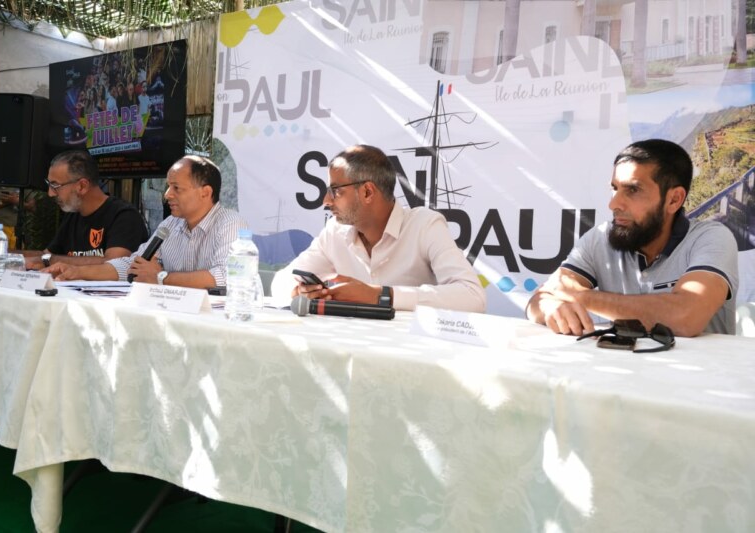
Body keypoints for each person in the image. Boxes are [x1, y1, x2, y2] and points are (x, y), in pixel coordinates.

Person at [526, 139, 738, 337]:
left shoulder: (711, 238)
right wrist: (551, 307)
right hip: (622, 374)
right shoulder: (600, 238)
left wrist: (580, 297)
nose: (614, 204)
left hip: (702, 376)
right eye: (615, 188)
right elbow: (539, 300)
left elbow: (685, 316)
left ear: (674, 200)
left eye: (633, 190)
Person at [271, 144, 486, 312]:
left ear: (367, 192)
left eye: (335, 191)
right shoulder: (335, 232)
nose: (326, 201)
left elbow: (473, 297)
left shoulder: (425, 225)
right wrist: (299, 291)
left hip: (413, 359)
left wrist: (381, 295)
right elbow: (280, 283)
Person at [45, 155, 248, 288]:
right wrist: (76, 272)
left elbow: (226, 277)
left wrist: (161, 278)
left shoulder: (230, 223)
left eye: (177, 188)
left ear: (206, 192)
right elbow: (131, 265)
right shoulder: (169, 225)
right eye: (168, 186)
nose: (167, 195)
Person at [0, 150, 148, 269]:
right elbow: (45, 256)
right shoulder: (73, 215)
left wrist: (48, 261)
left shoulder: (124, 216)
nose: (50, 194)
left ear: (82, 186)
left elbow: (114, 264)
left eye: (55, 185)